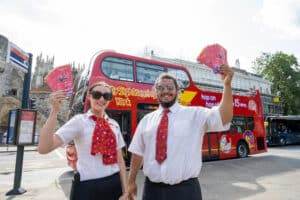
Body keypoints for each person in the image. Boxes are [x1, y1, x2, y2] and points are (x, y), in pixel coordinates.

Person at [127, 64, 234, 200]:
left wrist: (227, 85)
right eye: (161, 88)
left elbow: (224, 118)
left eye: (170, 87)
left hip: (185, 192)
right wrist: (131, 181)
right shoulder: (146, 121)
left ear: (178, 91)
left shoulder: (194, 114)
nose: (166, 91)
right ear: (155, 91)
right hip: (152, 191)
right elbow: (137, 152)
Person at [38, 81, 128, 200]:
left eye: (106, 96)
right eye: (97, 95)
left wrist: (126, 191)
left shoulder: (114, 125)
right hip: (88, 188)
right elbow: (44, 148)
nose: (101, 99)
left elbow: (120, 161)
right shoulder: (79, 121)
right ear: (89, 96)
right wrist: (54, 111)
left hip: (114, 184)